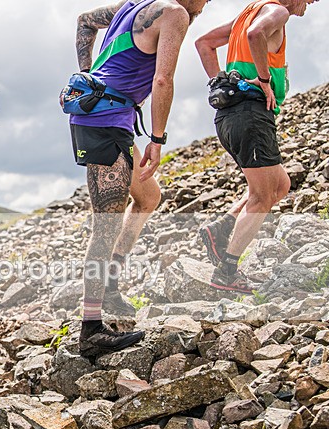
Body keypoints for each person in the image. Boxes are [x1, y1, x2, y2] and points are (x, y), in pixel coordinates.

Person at [69, 0, 210, 358]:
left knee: (148, 197)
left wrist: (87, 76)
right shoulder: (174, 13)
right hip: (104, 123)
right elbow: (163, 78)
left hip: (109, 118)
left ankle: (110, 282)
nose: (207, 3)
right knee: (106, 225)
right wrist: (158, 140)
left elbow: (85, 21)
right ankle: (91, 330)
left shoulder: (133, 4)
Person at [195, 0, 319, 293]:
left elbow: (204, 43)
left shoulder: (248, 13)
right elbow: (255, 35)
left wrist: (219, 84)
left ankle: (222, 227)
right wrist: (264, 80)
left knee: (280, 185)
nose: (312, 3)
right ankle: (226, 271)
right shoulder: (278, 11)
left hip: (230, 116)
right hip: (250, 115)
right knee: (263, 197)